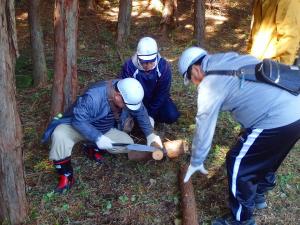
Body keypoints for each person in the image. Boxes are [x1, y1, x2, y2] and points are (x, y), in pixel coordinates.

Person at [177, 46, 300, 225]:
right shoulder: (228, 58)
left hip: (276, 118)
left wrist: (196, 161)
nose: (195, 83)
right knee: (268, 153)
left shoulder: (209, 84)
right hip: (295, 110)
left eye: (191, 79)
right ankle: (258, 194)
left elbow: (204, 125)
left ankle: (241, 220)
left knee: (238, 164)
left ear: (195, 69)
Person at [42, 78, 163, 193]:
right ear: (117, 96)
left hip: (103, 129)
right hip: (76, 127)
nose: (127, 107)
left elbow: (140, 112)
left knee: (128, 144)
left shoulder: (128, 91)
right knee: (60, 136)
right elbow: (78, 120)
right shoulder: (93, 97)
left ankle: (92, 148)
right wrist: (97, 137)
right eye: (126, 105)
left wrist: (150, 135)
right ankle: (66, 176)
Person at [119, 36, 180, 127]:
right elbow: (124, 92)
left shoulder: (163, 67)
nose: (148, 65)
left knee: (171, 115)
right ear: (138, 57)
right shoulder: (129, 67)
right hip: (136, 101)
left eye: (151, 61)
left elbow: (162, 93)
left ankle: (150, 118)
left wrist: (150, 115)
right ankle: (137, 119)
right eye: (144, 62)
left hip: (155, 100)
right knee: (122, 119)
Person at [247, 0, 300, 65]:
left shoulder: (289, 3)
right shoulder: (259, 2)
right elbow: (252, 39)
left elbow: (286, 56)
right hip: (254, 65)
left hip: (271, 70)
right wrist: (249, 61)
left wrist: (273, 72)